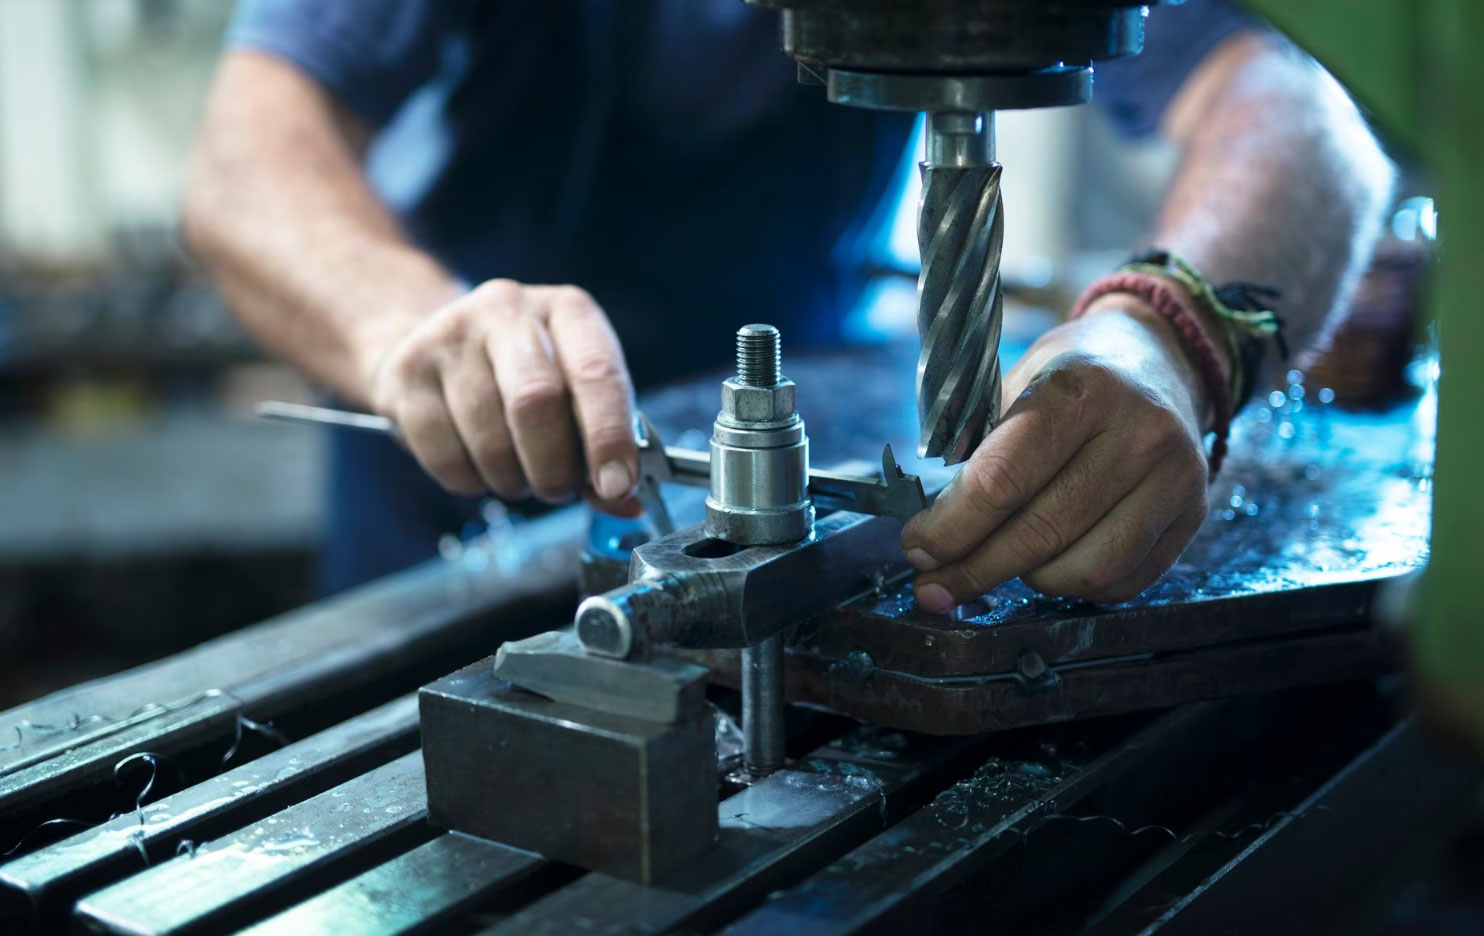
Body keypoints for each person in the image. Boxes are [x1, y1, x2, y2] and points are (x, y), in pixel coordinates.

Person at [185, 1, 1393, 608]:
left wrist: (1164, 335)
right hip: (471, 511)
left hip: (809, 450)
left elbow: (1299, 110)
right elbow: (248, 156)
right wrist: (405, 331)